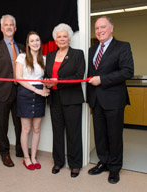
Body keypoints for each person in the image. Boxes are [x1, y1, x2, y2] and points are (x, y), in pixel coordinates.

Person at [87, 16, 134, 184]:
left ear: (111, 28)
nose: (99, 30)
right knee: (99, 135)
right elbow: (89, 76)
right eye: (97, 28)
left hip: (114, 100)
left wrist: (103, 79)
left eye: (103, 27)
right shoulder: (92, 50)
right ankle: (104, 162)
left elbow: (128, 71)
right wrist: (89, 100)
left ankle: (115, 168)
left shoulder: (122, 46)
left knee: (114, 135)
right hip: (96, 100)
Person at [44, 23, 85, 178]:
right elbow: (47, 75)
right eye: (59, 37)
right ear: (55, 39)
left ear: (69, 38)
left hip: (72, 99)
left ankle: (75, 165)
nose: (62, 39)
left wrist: (57, 81)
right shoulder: (50, 55)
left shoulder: (78, 54)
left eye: (64, 36)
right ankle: (58, 161)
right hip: (54, 99)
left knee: (73, 133)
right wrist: (47, 82)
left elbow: (78, 77)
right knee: (57, 133)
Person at [0, 14, 25, 167]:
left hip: (20, 91)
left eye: (11, 25)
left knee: (20, 124)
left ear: (15, 28)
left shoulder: (22, 47)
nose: (9, 27)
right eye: (6, 25)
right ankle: (5, 153)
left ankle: (20, 150)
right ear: (2, 28)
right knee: (2, 124)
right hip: (2, 91)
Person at [16, 31, 50, 170]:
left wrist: (45, 87)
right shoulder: (22, 57)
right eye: (32, 41)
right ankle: (26, 158)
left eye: (37, 40)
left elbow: (45, 79)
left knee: (36, 129)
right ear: (28, 44)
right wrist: (36, 90)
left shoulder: (45, 58)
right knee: (26, 128)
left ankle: (34, 157)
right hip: (25, 93)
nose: (35, 43)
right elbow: (18, 78)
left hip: (40, 95)